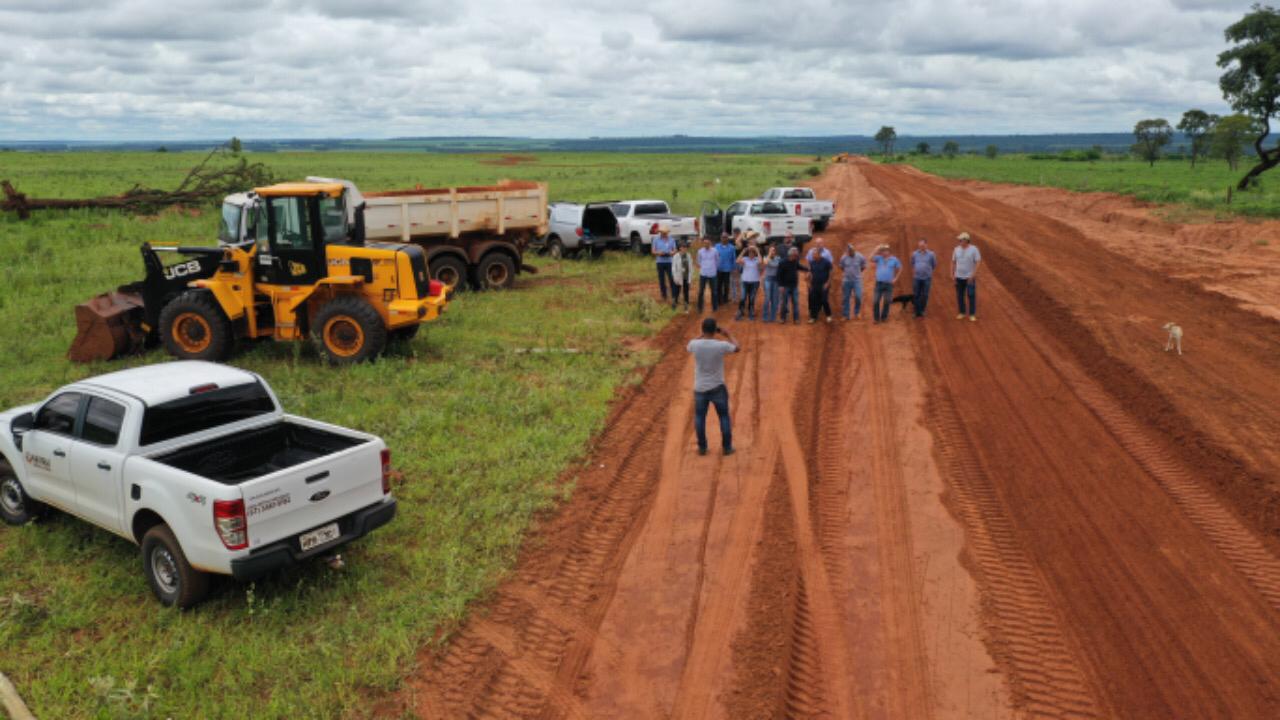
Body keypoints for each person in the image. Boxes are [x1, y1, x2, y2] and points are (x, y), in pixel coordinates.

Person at [687, 317, 739, 456]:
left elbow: (690, 345)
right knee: (723, 417)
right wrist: (727, 334)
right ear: (715, 330)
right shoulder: (720, 345)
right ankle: (727, 448)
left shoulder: (695, 344)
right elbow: (737, 347)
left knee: (699, 417)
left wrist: (702, 334)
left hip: (700, 388)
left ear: (703, 330)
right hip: (717, 387)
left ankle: (702, 448)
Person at [951, 232, 982, 322]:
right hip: (958, 277)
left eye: (961, 240)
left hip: (969, 277)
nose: (959, 241)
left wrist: (973, 275)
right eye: (959, 240)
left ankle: (972, 314)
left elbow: (978, 262)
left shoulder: (974, 249)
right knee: (960, 295)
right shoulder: (956, 249)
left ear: (966, 240)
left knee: (971, 295)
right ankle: (962, 312)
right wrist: (952, 274)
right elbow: (953, 261)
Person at [871, 244, 902, 324]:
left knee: (887, 301)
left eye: (885, 250)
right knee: (875, 301)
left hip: (889, 284)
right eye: (883, 250)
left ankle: (884, 317)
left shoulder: (894, 259)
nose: (884, 252)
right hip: (879, 283)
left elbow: (900, 268)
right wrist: (876, 249)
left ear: (889, 251)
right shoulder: (879, 258)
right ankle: (876, 318)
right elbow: (870, 258)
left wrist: (896, 278)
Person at [806, 245, 833, 323]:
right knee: (814, 300)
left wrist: (828, 282)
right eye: (812, 255)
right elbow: (810, 272)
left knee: (824, 300)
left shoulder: (826, 262)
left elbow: (831, 272)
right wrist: (808, 282)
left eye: (814, 255)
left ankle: (828, 315)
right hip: (814, 284)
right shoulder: (812, 263)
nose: (813, 256)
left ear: (819, 254)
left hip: (824, 284)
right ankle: (813, 317)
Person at [910, 238, 937, 318]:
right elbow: (912, 263)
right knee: (916, 294)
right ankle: (916, 311)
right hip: (917, 277)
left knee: (925, 295)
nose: (921, 246)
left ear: (926, 245)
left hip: (927, 278)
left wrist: (927, 271)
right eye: (920, 245)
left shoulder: (931, 254)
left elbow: (934, 264)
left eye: (922, 245)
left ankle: (922, 310)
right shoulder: (914, 254)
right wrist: (916, 270)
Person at [839, 243, 866, 320]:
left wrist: (859, 272)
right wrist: (847, 273)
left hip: (857, 280)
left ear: (854, 250)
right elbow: (841, 266)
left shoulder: (860, 256)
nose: (850, 253)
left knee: (858, 296)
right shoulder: (844, 257)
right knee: (846, 298)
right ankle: (845, 315)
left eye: (851, 251)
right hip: (846, 280)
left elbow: (864, 265)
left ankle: (857, 312)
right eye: (848, 251)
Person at [776, 247, 803, 324]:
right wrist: (780, 286)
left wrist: (808, 269)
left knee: (795, 302)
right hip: (785, 286)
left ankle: (796, 319)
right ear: (791, 254)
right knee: (784, 303)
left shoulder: (795, 261)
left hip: (794, 286)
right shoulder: (782, 262)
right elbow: (778, 275)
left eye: (796, 255)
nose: (796, 256)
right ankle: (782, 318)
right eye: (795, 255)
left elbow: (799, 266)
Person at [737, 244, 763, 320]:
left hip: (755, 282)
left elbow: (761, 261)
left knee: (752, 298)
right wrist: (743, 251)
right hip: (745, 281)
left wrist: (757, 250)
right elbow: (737, 260)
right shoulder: (745, 259)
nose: (751, 254)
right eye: (749, 252)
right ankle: (740, 312)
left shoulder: (756, 260)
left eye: (752, 252)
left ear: (754, 254)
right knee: (743, 297)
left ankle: (751, 312)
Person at [652, 226, 677, 303]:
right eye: (663, 233)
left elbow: (675, 250)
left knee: (671, 278)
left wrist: (672, 253)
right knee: (661, 279)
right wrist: (659, 253)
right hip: (660, 262)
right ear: (660, 233)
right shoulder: (656, 239)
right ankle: (664, 295)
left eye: (666, 233)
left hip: (669, 261)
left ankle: (674, 295)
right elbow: (653, 251)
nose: (665, 234)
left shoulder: (671, 239)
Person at [696, 238, 719, 312]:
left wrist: (713, 268)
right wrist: (703, 267)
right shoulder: (700, 251)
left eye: (708, 243)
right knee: (701, 291)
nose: (706, 244)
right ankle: (700, 307)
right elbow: (698, 261)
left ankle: (715, 307)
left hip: (712, 274)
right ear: (703, 243)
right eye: (705, 243)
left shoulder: (715, 251)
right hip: (703, 273)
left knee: (714, 291)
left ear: (710, 243)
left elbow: (717, 261)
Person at [670, 241, 692, 312]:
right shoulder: (676, 256)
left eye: (685, 247)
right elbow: (673, 268)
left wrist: (690, 278)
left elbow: (690, 267)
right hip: (678, 277)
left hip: (686, 276)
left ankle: (686, 305)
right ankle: (674, 304)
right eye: (683, 247)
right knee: (676, 291)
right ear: (680, 248)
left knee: (686, 291)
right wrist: (675, 277)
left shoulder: (688, 255)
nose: (684, 249)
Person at [761, 245, 781, 322]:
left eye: (773, 250)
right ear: (768, 251)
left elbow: (776, 265)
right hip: (768, 279)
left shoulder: (778, 258)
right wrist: (769, 256)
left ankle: (773, 317)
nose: (772, 252)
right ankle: (765, 317)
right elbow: (765, 263)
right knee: (767, 298)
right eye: (771, 250)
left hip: (776, 280)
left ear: (775, 252)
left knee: (775, 299)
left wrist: (770, 262)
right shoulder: (765, 257)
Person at [716, 234, 737, 305]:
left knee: (726, 285)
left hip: (727, 269)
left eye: (725, 237)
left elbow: (734, 258)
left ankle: (725, 299)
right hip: (718, 268)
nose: (724, 239)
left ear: (728, 238)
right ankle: (719, 299)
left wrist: (734, 268)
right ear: (720, 238)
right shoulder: (716, 246)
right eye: (722, 237)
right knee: (718, 285)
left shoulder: (732, 247)